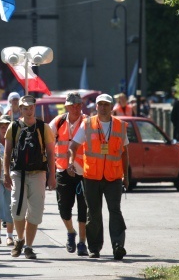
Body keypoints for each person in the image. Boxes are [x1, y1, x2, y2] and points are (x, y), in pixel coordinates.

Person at [67, 93, 130, 260]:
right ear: (96, 106)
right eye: (100, 104)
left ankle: (118, 246)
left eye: (106, 104)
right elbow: (73, 146)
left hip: (113, 177)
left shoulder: (120, 125)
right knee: (94, 214)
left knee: (115, 211)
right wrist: (71, 161)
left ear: (111, 107)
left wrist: (127, 176)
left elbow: (125, 154)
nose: (103, 107)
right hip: (91, 177)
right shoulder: (87, 124)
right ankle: (94, 248)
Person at [3, 95, 56, 260]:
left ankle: (28, 246)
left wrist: (52, 175)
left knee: (35, 212)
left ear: (35, 107)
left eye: (31, 107)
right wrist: (6, 173)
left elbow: (51, 153)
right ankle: (20, 239)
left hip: (38, 173)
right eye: (25, 108)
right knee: (17, 209)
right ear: (20, 109)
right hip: (18, 173)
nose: (28, 110)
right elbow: (7, 152)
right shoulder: (14, 126)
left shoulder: (43, 127)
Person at [49, 92, 89, 256]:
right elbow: (49, 145)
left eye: (79, 104)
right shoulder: (58, 122)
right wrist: (49, 171)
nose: (76, 107)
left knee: (83, 209)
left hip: (84, 171)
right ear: (66, 106)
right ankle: (71, 232)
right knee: (63, 208)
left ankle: (82, 243)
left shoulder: (88, 122)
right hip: (63, 170)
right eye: (73, 104)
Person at [0, 115, 15, 246]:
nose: (4, 128)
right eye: (1, 125)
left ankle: (10, 236)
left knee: (10, 206)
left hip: (11, 177)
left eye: (7, 125)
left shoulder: (14, 139)